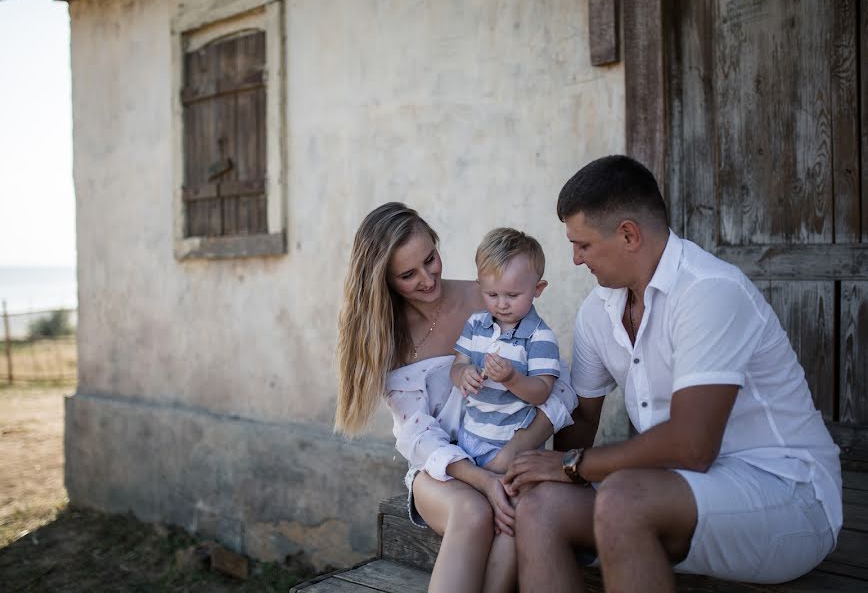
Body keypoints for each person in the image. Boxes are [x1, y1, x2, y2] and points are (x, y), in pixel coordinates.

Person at [503, 155, 842, 591]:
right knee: (540, 507)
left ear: (628, 234)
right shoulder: (598, 311)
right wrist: (540, 472)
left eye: (583, 245)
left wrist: (574, 464)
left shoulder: (709, 290)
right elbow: (583, 419)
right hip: (676, 492)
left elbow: (692, 446)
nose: (574, 260)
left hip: (789, 497)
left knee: (624, 499)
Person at [334, 202, 577, 593]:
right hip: (440, 470)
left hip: (507, 454)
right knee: (471, 512)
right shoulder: (387, 337)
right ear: (385, 280)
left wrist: (516, 449)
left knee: (516, 514)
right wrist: (480, 478)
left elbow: (559, 387)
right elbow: (418, 434)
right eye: (408, 275)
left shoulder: (490, 299)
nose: (428, 279)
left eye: (431, 259)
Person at [452, 227, 561, 471]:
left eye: (512, 295)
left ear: (538, 289)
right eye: (492, 294)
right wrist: (463, 373)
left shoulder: (539, 337)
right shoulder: (476, 324)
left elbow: (542, 392)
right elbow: (457, 365)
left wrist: (511, 378)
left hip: (511, 446)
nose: (501, 304)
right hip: (468, 436)